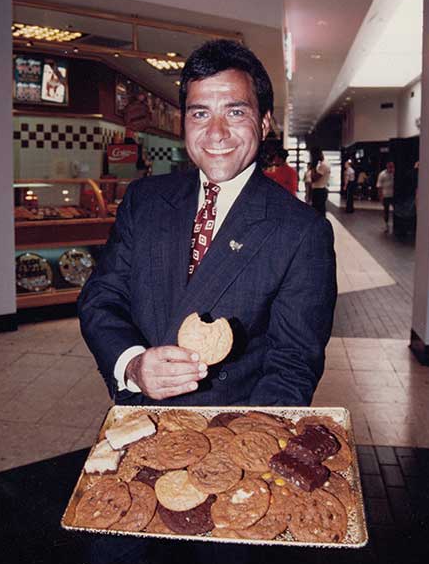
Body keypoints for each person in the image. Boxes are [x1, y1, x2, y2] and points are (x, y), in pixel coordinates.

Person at [79, 39, 337, 408]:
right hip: (138, 413)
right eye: (200, 114)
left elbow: (292, 363)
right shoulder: (145, 200)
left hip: (230, 427)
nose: (216, 133)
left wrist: (242, 444)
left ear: (264, 124)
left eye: (235, 112)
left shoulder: (300, 231)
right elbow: (102, 298)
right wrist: (133, 365)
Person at [310, 148, 330, 217]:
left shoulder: (323, 165)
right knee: (319, 210)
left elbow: (314, 178)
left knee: (319, 212)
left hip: (319, 191)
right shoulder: (322, 164)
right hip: (320, 190)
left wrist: (313, 167)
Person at [376, 161, 395, 232]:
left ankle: (395, 224)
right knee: (386, 211)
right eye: (389, 167)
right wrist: (381, 197)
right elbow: (379, 186)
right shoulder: (382, 174)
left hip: (393, 195)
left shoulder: (395, 174)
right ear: (387, 167)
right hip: (386, 195)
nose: (391, 169)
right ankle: (386, 225)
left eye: (392, 167)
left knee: (396, 210)